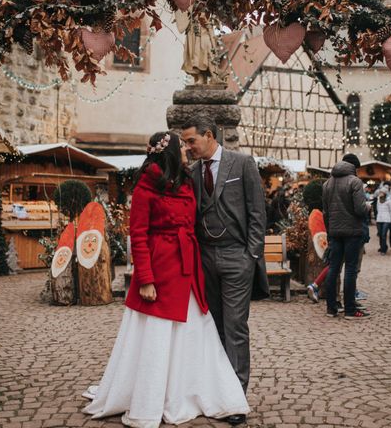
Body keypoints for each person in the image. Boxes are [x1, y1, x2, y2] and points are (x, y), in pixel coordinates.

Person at [82, 132, 249, 427]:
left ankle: (205, 393)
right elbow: (139, 234)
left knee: (198, 334)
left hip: (188, 270)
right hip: (160, 271)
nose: (186, 150)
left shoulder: (185, 182)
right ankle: (154, 396)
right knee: (157, 336)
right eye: (181, 146)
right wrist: (145, 279)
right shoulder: (147, 186)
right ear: (170, 151)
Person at [181, 115, 268, 426]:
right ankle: (216, 390)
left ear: (208, 135)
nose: (188, 147)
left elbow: (258, 212)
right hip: (204, 258)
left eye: (191, 140)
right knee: (213, 327)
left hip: (236, 256)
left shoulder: (242, 164)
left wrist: (251, 255)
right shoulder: (191, 172)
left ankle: (235, 399)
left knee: (235, 327)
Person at [322, 153, 370, 319]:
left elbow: (325, 213)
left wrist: (329, 232)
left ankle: (331, 308)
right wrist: (368, 207)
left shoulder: (327, 183)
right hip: (352, 232)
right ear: (354, 168)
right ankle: (350, 310)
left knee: (334, 268)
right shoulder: (355, 182)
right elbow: (359, 209)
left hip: (335, 232)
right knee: (350, 269)